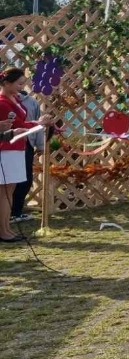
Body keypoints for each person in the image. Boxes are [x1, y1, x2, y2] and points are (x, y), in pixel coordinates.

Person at [0, 67, 53, 242]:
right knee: (4, 193)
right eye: (19, 84)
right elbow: (15, 127)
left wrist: (37, 123)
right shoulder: (2, 103)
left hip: (17, 148)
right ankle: (3, 231)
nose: (22, 87)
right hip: (7, 150)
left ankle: (7, 228)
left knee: (10, 191)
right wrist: (38, 123)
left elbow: (22, 124)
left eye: (23, 84)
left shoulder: (15, 99)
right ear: (6, 83)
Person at [11, 87, 43, 222]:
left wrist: (40, 145)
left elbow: (38, 124)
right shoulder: (5, 101)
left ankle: (17, 211)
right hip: (8, 145)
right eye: (17, 83)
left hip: (27, 144)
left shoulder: (31, 102)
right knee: (9, 181)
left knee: (25, 179)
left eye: (21, 83)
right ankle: (8, 213)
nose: (19, 86)